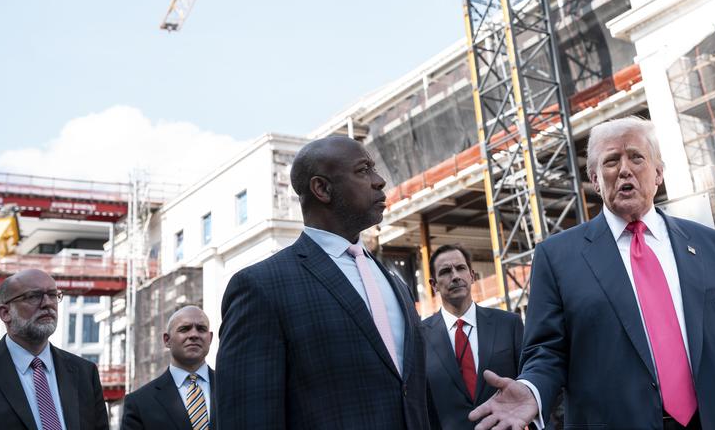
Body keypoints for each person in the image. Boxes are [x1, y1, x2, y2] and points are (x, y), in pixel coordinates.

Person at [470, 116, 715, 430]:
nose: (624, 170)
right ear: (593, 179)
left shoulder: (713, 247)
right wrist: (532, 391)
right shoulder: (557, 257)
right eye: (610, 161)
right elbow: (547, 351)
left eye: (636, 157)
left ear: (658, 173)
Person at [215, 134, 436, 429]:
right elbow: (247, 418)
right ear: (322, 188)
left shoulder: (396, 285)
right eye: (363, 170)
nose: (379, 180)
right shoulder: (260, 288)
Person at [0, 269, 108, 430]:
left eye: (52, 295)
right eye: (33, 296)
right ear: (5, 313)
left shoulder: (85, 373)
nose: (47, 303)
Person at [422, 244, 526, 430]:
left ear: (472, 275)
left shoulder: (509, 324)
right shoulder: (419, 337)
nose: (455, 276)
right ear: (434, 284)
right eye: (445, 271)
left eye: (461, 268)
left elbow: (530, 379)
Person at [121, 305, 215, 429]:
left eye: (201, 329)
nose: (194, 334)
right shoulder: (139, 402)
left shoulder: (235, 388)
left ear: (210, 338)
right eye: (184, 329)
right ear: (167, 340)